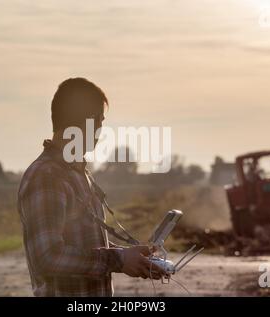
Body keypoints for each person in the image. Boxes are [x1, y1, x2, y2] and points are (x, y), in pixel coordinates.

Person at [17, 77, 165, 296]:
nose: (100, 130)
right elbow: (48, 257)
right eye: (99, 121)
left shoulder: (77, 173)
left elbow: (83, 245)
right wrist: (119, 260)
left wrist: (128, 257)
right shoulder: (47, 176)